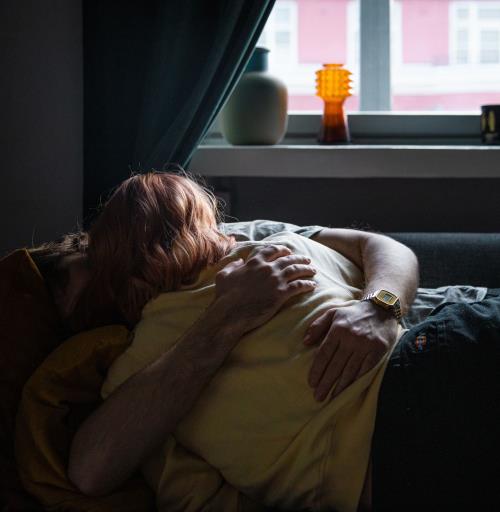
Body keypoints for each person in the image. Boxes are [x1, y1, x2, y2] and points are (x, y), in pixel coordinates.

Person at [29, 172, 499, 511]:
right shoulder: (140, 378)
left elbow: (384, 249)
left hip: (431, 358)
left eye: (92, 265)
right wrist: (227, 316)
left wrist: (378, 307)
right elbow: (92, 471)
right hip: (412, 424)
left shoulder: (267, 245)